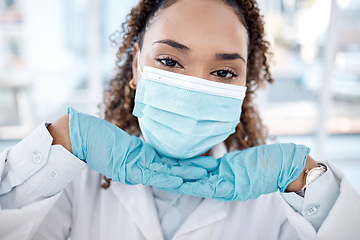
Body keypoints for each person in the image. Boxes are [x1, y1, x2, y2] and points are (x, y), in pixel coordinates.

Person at [0, 0, 359, 239]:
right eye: (170, 62)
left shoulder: (276, 198)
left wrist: (308, 180)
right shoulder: (74, 182)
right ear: (137, 64)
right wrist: (58, 141)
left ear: (245, 83)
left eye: (222, 72)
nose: (195, 88)